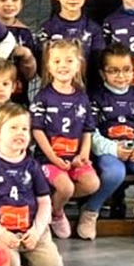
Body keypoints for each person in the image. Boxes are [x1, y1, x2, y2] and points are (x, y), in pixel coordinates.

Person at [84, 43, 134, 240]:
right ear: (103, 73)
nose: (121, 76)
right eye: (113, 71)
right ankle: (91, 210)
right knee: (114, 173)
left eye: (127, 70)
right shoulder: (96, 98)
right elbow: (91, 133)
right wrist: (112, 148)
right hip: (109, 153)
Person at [0, 103, 63, 266]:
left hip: (30, 230)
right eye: (13, 128)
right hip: (0, 232)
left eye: (24, 129)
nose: (20, 133)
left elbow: (45, 203)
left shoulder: (33, 167)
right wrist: (1, 233)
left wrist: (36, 232)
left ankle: (28, 256)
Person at [30, 38, 100, 239]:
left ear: (78, 65)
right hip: (49, 159)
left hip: (74, 158)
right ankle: (56, 212)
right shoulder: (43, 97)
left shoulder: (81, 97)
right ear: (48, 66)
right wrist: (54, 158)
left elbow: (87, 129)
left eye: (69, 61)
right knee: (66, 187)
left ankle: (51, 203)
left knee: (92, 184)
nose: (63, 65)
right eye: (57, 61)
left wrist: (83, 155)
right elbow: (37, 131)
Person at [37, 0, 105, 90]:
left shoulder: (93, 29)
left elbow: (97, 66)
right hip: (54, 92)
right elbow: (41, 67)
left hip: (87, 92)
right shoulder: (47, 29)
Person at [0, 0, 37, 104]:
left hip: (17, 99)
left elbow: (30, 75)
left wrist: (27, 56)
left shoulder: (24, 33)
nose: (9, 3)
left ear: (21, 3)